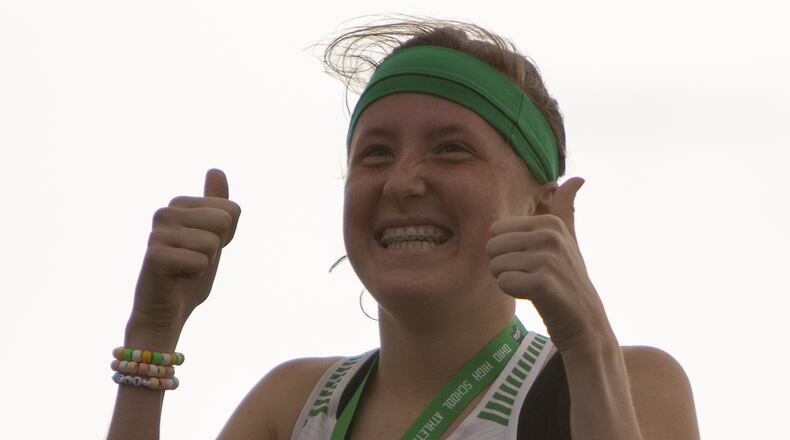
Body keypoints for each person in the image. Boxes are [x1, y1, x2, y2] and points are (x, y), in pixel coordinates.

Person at [108, 17, 700, 440]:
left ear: (544, 211)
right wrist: (152, 335)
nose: (402, 182)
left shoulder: (631, 383)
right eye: (375, 154)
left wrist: (587, 344)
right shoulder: (293, 406)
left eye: (450, 150)